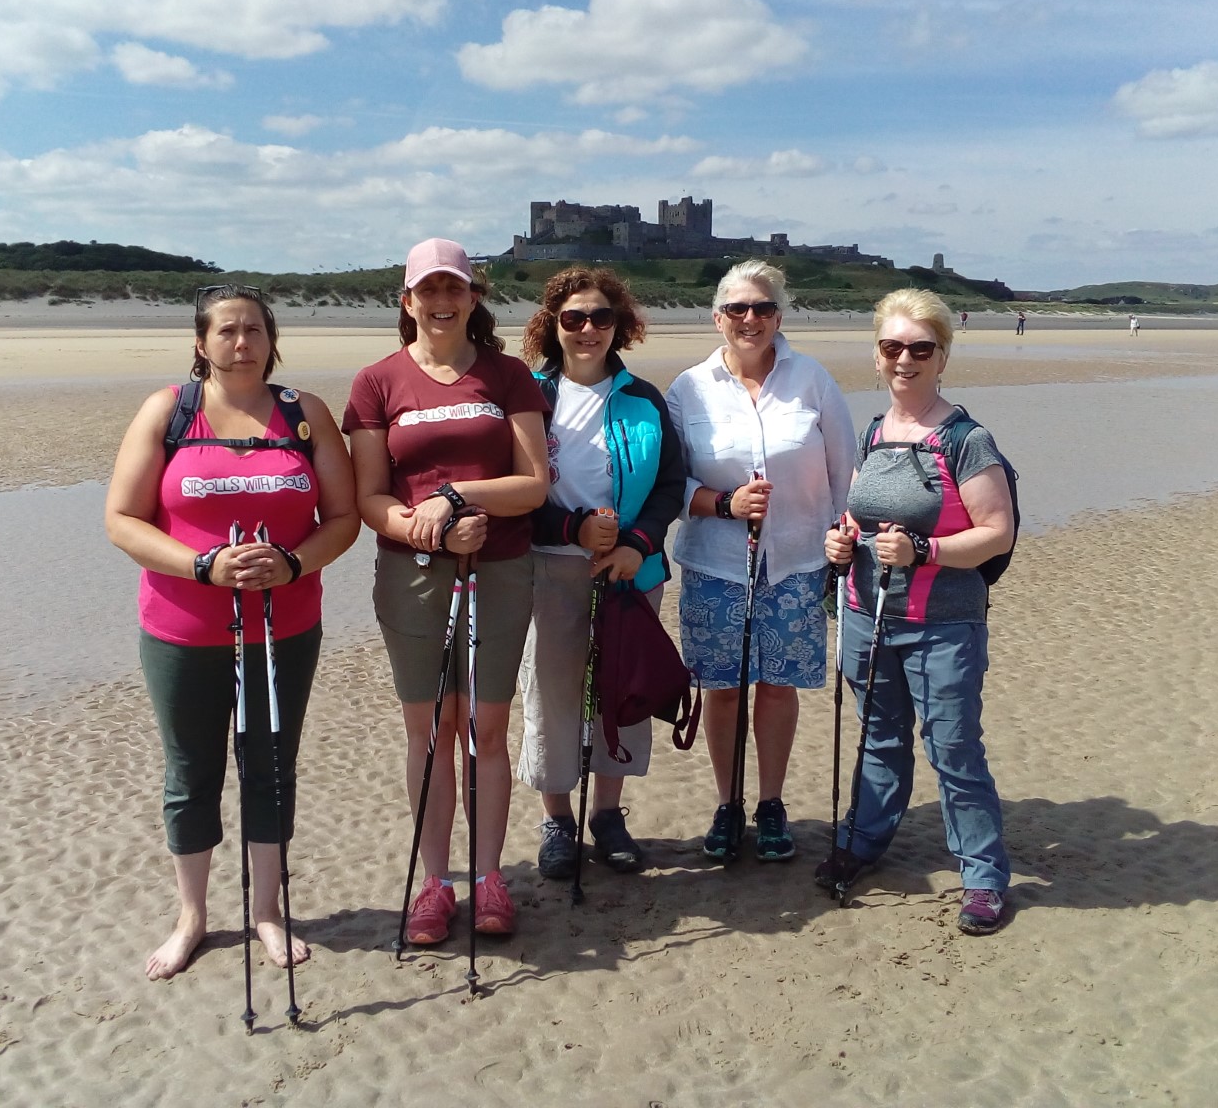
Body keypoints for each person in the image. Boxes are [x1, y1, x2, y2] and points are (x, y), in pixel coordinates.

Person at [106, 283, 360, 980]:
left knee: (270, 767)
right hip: (183, 631)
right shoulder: (168, 411)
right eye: (226, 331)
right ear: (201, 343)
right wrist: (204, 565)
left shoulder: (304, 414)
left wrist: (293, 562)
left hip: (284, 627)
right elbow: (121, 520)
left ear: (272, 341)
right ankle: (191, 917)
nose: (241, 343)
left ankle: (268, 911)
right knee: (191, 771)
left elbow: (343, 518)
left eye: (254, 330)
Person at [343, 238, 548, 944]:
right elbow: (370, 497)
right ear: (407, 301)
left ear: (473, 297)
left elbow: (533, 485)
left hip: (501, 570)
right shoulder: (377, 381)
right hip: (414, 576)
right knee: (431, 731)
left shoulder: (508, 375)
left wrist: (456, 497)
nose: (440, 301)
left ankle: (489, 876)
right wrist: (428, 531)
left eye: (453, 288)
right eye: (427, 290)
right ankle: (435, 882)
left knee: (485, 730)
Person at [819, 288, 1015, 936]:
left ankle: (983, 877)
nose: (905, 359)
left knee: (954, 750)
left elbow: (997, 533)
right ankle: (862, 842)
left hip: (943, 625)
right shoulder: (874, 432)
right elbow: (860, 516)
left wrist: (925, 550)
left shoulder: (967, 440)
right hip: (866, 615)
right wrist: (841, 541)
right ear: (877, 355)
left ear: (942, 356)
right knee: (879, 739)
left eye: (920, 349)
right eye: (892, 347)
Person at [666, 260, 856, 861]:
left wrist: (844, 539)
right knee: (722, 689)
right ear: (717, 317)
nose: (751, 319)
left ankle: (771, 804)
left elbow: (845, 471)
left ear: (779, 315)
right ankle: (728, 803)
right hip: (715, 564)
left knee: (777, 686)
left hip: (797, 561)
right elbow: (669, 485)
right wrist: (724, 503)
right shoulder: (688, 388)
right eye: (738, 309)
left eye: (764, 308)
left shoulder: (812, 380)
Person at [516, 267, 685, 878]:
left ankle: (608, 815)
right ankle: (557, 819)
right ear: (553, 325)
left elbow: (671, 485)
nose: (588, 329)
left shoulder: (644, 398)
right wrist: (573, 529)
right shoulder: (529, 395)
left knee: (621, 689)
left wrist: (637, 544)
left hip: (630, 572)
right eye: (574, 318)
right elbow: (515, 492)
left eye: (601, 317)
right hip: (549, 568)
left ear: (620, 325)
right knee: (553, 692)